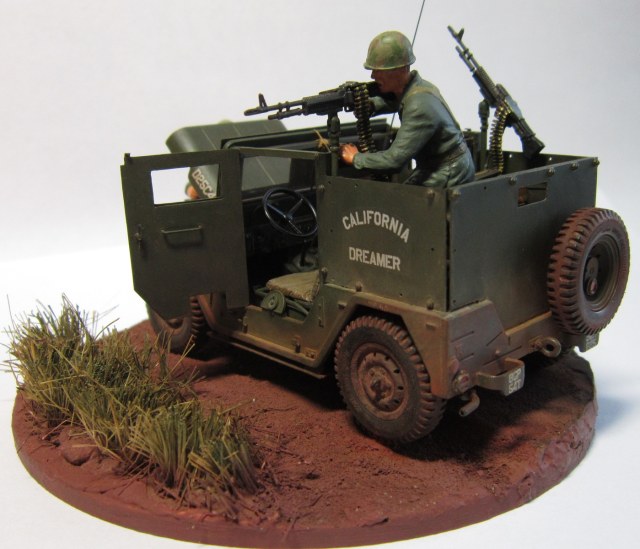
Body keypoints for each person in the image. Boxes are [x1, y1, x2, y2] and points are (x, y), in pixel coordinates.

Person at [340, 31, 475, 187]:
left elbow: (394, 160)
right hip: (436, 164)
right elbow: (397, 102)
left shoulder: (419, 106)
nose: (373, 76)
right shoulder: (416, 88)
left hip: (450, 169)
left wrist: (356, 158)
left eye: (379, 70)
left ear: (401, 70)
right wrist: (370, 106)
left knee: (402, 201)